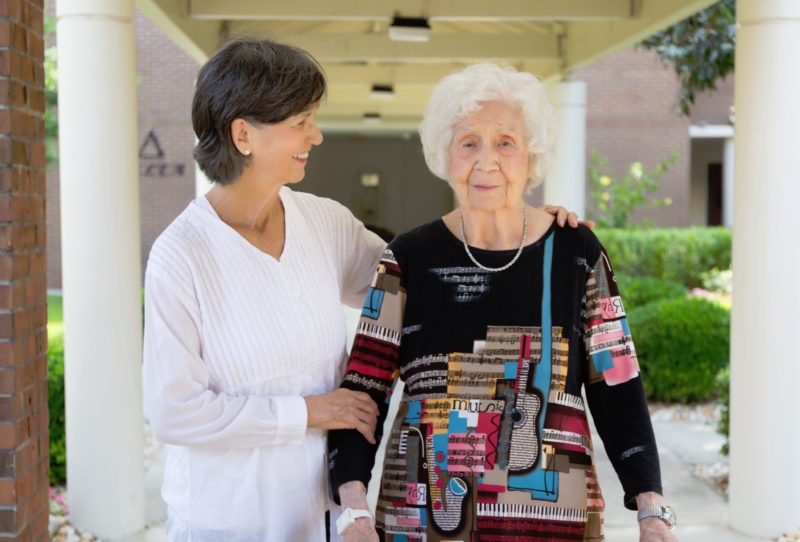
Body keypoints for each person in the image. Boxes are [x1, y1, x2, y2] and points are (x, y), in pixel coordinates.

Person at [143, 39, 584, 541]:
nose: (317, 134)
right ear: (243, 134)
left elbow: (427, 274)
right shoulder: (181, 255)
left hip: (322, 521)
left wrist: (520, 229)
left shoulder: (323, 223)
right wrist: (309, 411)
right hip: (224, 523)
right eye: (300, 121)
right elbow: (173, 412)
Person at [328, 64, 679, 542]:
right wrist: (353, 512)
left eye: (505, 142)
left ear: (531, 157)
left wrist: (652, 512)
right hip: (422, 523)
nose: (485, 161)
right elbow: (362, 395)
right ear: (445, 155)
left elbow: (618, 387)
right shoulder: (408, 259)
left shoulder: (577, 254)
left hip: (556, 523)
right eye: (468, 142)